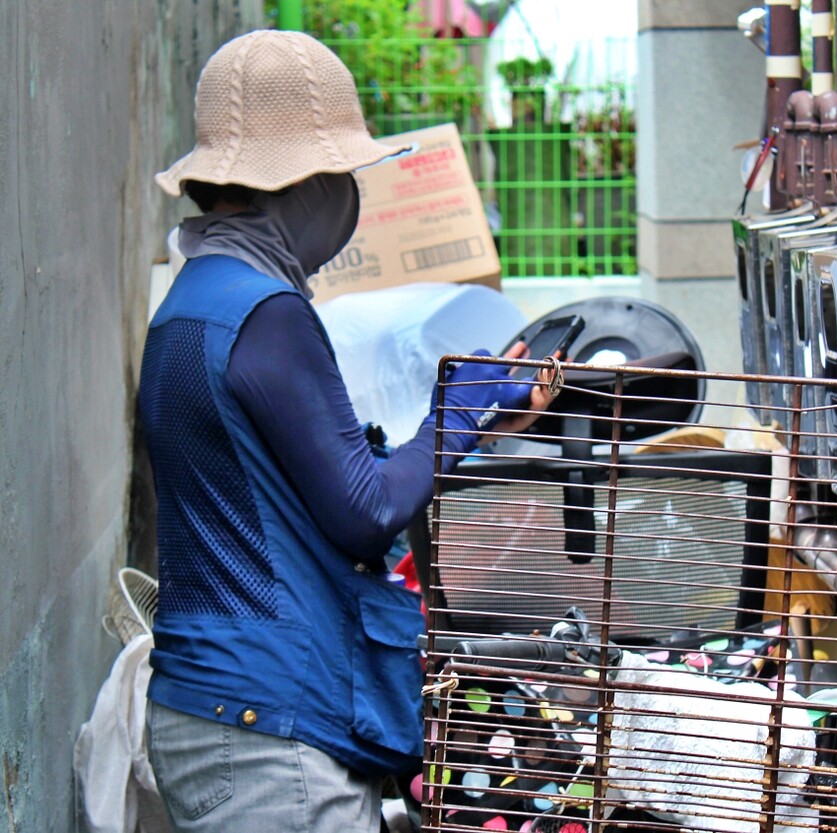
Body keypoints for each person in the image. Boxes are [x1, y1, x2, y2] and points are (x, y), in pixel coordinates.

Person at [138, 29, 552, 832]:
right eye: (339, 177)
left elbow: (289, 490)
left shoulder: (188, 306)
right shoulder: (268, 313)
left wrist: (475, 418)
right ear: (300, 187)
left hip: (203, 710)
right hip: (270, 736)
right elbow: (364, 509)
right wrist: (462, 405)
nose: (348, 198)